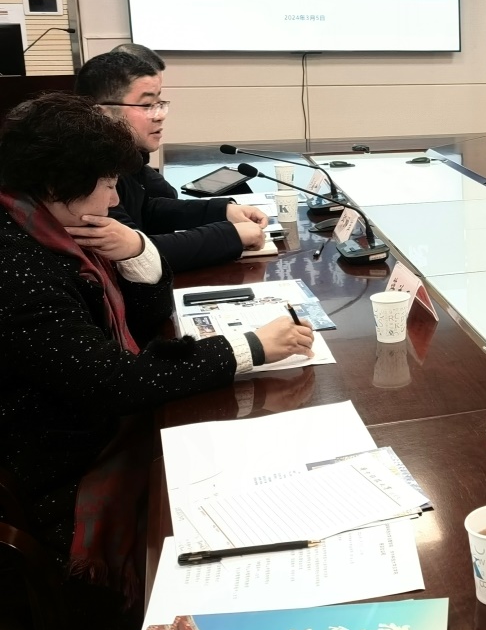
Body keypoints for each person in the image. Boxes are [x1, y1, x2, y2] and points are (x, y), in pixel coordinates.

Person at [0, 93, 313, 569]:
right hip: (70, 471)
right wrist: (250, 347)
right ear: (56, 184)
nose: (115, 200)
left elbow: (147, 318)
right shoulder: (18, 263)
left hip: (101, 430)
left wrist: (136, 251)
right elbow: (112, 383)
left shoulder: (57, 231)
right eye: (108, 185)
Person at [75, 51, 269, 272]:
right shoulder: (83, 169)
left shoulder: (120, 156)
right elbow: (132, 254)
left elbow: (146, 211)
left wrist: (222, 211)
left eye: (159, 103)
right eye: (147, 105)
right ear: (102, 114)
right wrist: (231, 236)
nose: (160, 115)